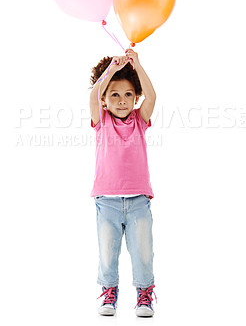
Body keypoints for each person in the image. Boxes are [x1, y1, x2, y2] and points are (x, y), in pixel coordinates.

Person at [89, 49, 157, 317]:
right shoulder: (101, 121)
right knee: (107, 251)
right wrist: (110, 70)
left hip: (139, 200)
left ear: (135, 97)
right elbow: (93, 95)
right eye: (114, 95)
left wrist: (137, 64)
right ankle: (109, 291)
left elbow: (151, 96)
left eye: (128, 94)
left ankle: (144, 293)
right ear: (105, 99)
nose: (121, 101)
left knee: (143, 251)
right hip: (107, 201)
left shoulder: (139, 121)